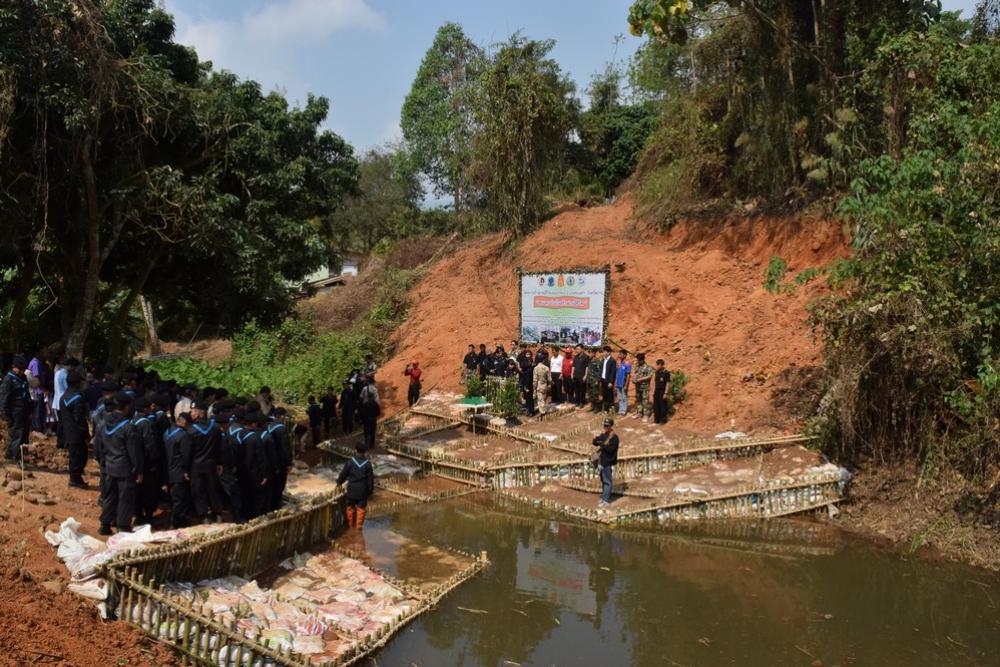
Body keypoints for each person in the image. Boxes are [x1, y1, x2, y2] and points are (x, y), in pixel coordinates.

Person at [96, 394, 142, 535]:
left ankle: (105, 525)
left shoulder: (103, 424)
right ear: (126, 407)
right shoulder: (128, 427)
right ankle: (122, 526)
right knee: (125, 497)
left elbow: (99, 447)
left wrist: (103, 463)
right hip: (125, 468)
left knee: (109, 496)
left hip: (109, 466)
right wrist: (139, 469)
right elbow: (134, 452)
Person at [189, 400, 225, 523]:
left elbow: (188, 452)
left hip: (196, 466)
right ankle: (218, 513)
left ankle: (204, 515)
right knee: (213, 489)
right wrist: (219, 462)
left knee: (199, 491)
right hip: (211, 464)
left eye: (193, 411)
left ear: (200, 413)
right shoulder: (215, 428)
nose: (191, 414)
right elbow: (220, 447)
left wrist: (185, 467)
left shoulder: (191, 430)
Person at [131, 397, 162, 525]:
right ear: (145, 409)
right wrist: (154, 460)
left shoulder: (133, 420)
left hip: (135, 462)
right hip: (147, 463)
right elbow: (150, 445)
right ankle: (148, 517)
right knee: (149, 491)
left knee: (137, 490)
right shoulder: (146, 424)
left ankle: (138, 515)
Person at [59, 370, 91, 488]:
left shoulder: (63, 398)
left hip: (68, 432)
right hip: (77, 434)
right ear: (77, 383)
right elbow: (80, 419)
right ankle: (75, 479)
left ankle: (75, 477)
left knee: (74, 455)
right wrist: (86, 434)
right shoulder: (78, 399)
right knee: (80, 455)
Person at [163, 413, 194, 529]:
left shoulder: (166, 432)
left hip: (168, 470)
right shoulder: (183, 435)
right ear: (185, 422)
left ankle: (177, 519)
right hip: (179, 471)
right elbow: (186, 455)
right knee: (180, 499)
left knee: (174, 497)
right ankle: (175, 522)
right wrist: (186, 470)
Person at [0, 355, 32, 461]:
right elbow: (3, 397)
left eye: (23, 369)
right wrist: (4, 413)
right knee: (16, 434)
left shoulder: (23, 378)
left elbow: (26, 393)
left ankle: (17, 454)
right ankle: (14, 457)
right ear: (14, 367)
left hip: (24, 410)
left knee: (24, 435)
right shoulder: (9, 379)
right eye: (20, 369)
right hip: (14, 411)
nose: (22, 371)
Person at [337, 444, 374, 529]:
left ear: (355, 450)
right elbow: (370, 479)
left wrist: (339, 482)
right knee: (361, 508)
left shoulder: (350, 462)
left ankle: (350, 526)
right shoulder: (367, 464)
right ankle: (358, 528)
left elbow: (343, 474)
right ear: (364, 452)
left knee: (350, 507)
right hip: (362, 491)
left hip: (352, 490)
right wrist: (370, 491)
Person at [266, 407, 292, 511]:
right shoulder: (281, 428)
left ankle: (270, 504)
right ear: (281, 416)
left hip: (270, 460)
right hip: (280, 461)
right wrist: (288, 462)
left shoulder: (268, 426)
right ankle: (276, 505)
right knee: (280, 483)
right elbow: (285, 448)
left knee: (271, 483)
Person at [592, 418, 619, 507]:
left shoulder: (614, 438)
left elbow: (611, 450)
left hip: (607, 461)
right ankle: (605, 497)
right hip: (601, 461)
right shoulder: (604, 435)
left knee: (607, 482)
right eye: (605, 425)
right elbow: (594, 441)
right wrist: (598, 442)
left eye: (607, 425)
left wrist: (603, 445)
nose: (605, 427)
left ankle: (606, 500)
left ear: (611, 426)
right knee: (603, 481)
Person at [357, 374, 381, 451]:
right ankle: (372, 444)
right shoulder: (374, 389)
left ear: (368, 382)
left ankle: (366, 442)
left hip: (366, 411)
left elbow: (360, 398)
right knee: (372, 431)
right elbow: (378, 403)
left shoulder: (364, 388)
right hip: (373, 414)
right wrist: (375, 411)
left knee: (366, 430)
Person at [632, 353, 655, 421]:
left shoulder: (648, 367)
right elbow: (635, 373)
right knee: (638, 400)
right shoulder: (638, 367)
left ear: (642, 360)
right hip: (638, 386)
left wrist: (640, 379)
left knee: (645, 401)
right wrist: (634, 378)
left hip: (645, 387)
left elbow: (649, 376)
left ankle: (646, 415)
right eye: (637, 360)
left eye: (639, 360)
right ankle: (639, 413)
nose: (638, 361)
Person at [516, 344, 535, 415]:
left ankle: (531, 411)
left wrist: (527, 386)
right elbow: (521, 365)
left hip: (529, 382)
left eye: (529, 354)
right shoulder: (524, 360)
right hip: (524, 380)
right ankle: (528, 410)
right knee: (526, 396)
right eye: (526, 354)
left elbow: (529, 376)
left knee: (529, 396)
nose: (527, 355)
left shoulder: (530, 363)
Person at [599, 346, 617, 413]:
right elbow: (601, 369)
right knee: (604, 394)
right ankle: (606, 408)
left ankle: (610, 408)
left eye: (604, 352)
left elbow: (613, 372)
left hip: (608, 380)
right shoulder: (603, 360)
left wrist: (611, 382)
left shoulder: (612, 361)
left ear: (609, 352)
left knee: (609, 395)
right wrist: (600, 378)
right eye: (603, 352)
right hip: (603, 379)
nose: (603, 353)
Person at [653, 359, 672, 425]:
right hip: (657, 390)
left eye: (658, 365)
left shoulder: (666, 373)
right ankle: (657, 419)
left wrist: (665, 393)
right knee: (656, 405)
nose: (657, 366)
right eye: (657, 364)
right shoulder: (657, 372)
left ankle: (663, 420)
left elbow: (668, 383)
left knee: (662, 406)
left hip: (662, 391)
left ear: (662, 365)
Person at [615, 350, 632, 416]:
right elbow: (617, 374)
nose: (619, 355)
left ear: (625, 355)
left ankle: (624, 410)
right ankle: (620, 409)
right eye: (619, 354)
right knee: (619, 397)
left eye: (621, 354)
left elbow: (628, 375)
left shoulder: (627, 364)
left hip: (623, 383)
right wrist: (616, 382)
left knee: (624, 397)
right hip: (618, 383)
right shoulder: (619, 363)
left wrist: (626, 385)